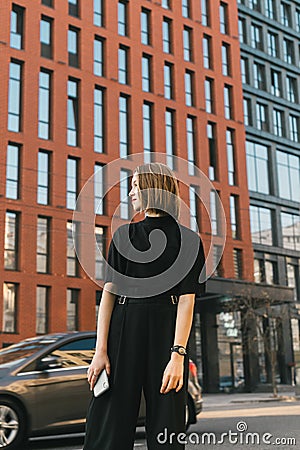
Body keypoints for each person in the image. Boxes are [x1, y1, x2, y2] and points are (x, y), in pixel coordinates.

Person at [83, 163, 206, 450]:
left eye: (136, 185)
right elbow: (109, 296)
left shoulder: (189, 241)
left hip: (167, 334)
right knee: (107, 429)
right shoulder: (123, 236)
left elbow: (187, 300)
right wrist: (100, 351)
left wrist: (178, 356)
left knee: (168, 433)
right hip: (123, 330)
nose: (130, 193)